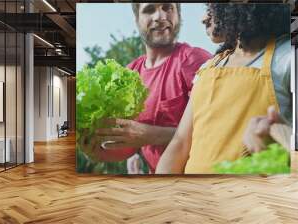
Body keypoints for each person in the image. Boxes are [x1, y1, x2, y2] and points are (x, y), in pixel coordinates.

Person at [156, 3, 292, 174]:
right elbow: (180, 142)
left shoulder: (288, 57)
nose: (204, 18)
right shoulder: (209, 66)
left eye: (213, 7)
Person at [89, 3, 212, 174]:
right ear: (137, 19)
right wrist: (99, 152)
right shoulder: (130, 73)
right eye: (149, 10)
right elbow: (131, 144)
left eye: (168, 7)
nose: (160, 17)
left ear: (178, 15)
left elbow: (215, 131)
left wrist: (150, 134)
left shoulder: (194, 60)